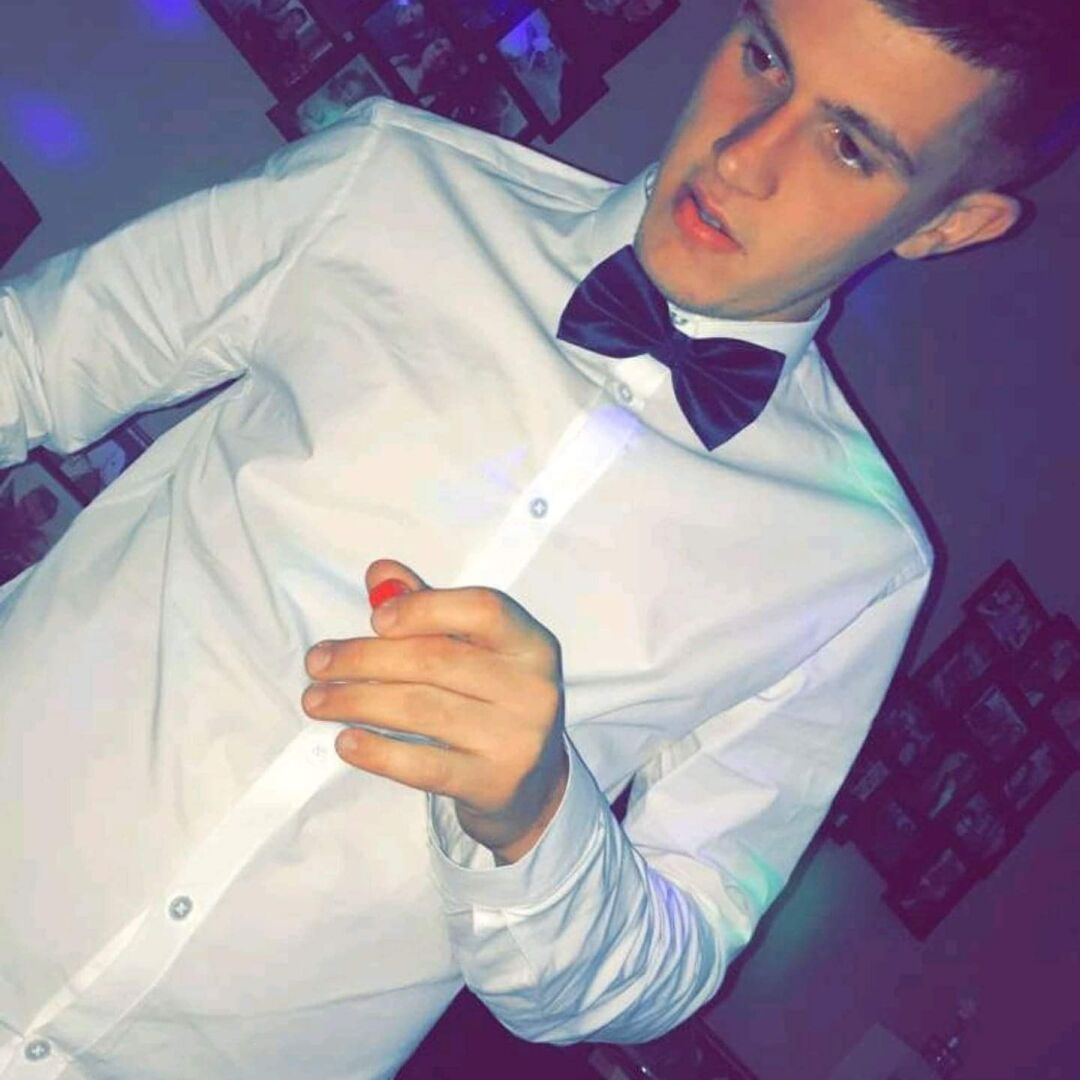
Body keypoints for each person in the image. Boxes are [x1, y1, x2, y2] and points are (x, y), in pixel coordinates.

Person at [1, 1, 1076, 1077]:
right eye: (762, 59)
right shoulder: (391, 181)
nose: (743, 158)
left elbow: (664, 974)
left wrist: (534, 820)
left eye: (848, 146)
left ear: (950, 224)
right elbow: (29, 361)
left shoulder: (855, 567)